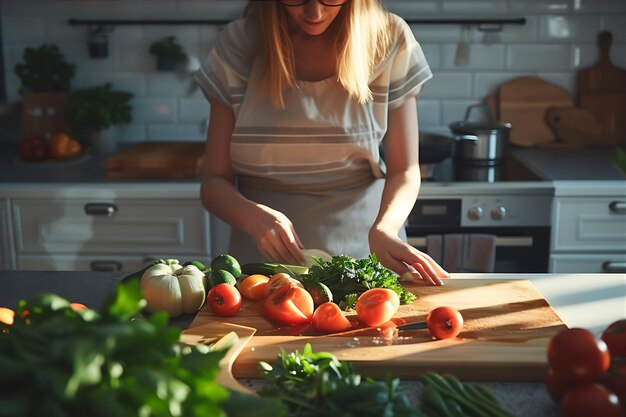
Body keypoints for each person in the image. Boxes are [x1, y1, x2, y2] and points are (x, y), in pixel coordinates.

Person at [194, 0, 449, 285]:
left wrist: (386, 228)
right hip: (261, 264)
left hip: (365, 251)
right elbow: (214, 182)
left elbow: (405, 170)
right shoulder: (238, 45)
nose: (314, 13)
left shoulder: (389, 39)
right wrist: (251, 217)